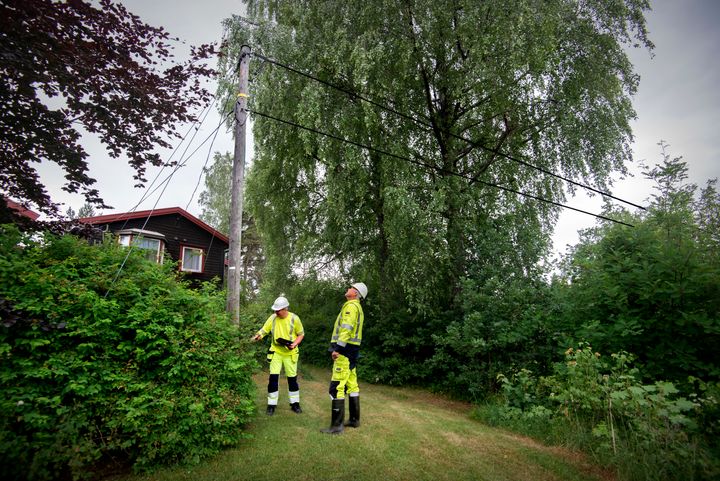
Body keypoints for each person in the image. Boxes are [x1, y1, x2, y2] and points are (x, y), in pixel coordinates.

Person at [320, 282, 367, 434]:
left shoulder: (351, 307)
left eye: (351, 287)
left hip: (344, 351)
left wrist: (337, 348)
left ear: (355, 293)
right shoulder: (357, 307)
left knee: (336, 386)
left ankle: (336, 426)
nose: (348, 288)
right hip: (352, 351)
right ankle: (354, 420)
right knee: (352, 385)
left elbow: (346, 328)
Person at [253, 295, 305, 415]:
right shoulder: (273, 318)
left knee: (292, 379)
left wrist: (295, 344)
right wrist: (258, 336)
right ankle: (271, 405)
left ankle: (295, 404)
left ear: (285, 309)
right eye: (275, 310)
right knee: (273, 379)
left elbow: (301, 334)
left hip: (290, 352)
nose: (276, 312)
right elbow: (264, 330)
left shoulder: (294, 318)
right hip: (276, 351)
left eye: (278, 310)